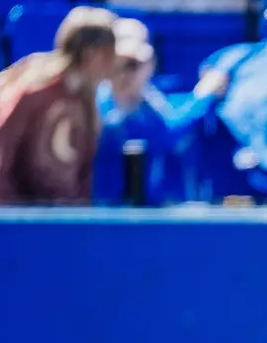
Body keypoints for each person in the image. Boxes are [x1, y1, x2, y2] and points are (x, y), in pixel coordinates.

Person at [0, 6, 119, 207]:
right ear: (90, 53)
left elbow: (79, 178)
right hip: (0, 220)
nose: (112, 64)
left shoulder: (85, 102)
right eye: (108, 53)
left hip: (47, 224)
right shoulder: (31, 91)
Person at [95, 17, 227, 205]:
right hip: (104, 214)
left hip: (150, 215)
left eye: (135, 64)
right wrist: (203, 95)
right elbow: (162, 134)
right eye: (121, 64)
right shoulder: (96, 101)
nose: (127, 73)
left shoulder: (153, 101)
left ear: (150, 64)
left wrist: (205, 94)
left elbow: (166, 127)